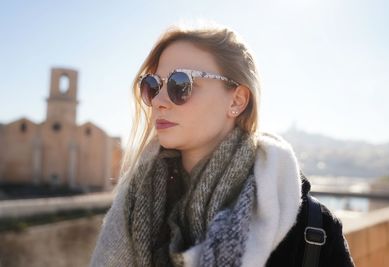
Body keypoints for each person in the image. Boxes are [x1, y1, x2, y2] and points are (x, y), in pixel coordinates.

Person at [90, 23, 355, 267]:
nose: (159, 100)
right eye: (152, 85)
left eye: (179, 83)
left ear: (237, 101)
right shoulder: (134, 205)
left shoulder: (311, 227)